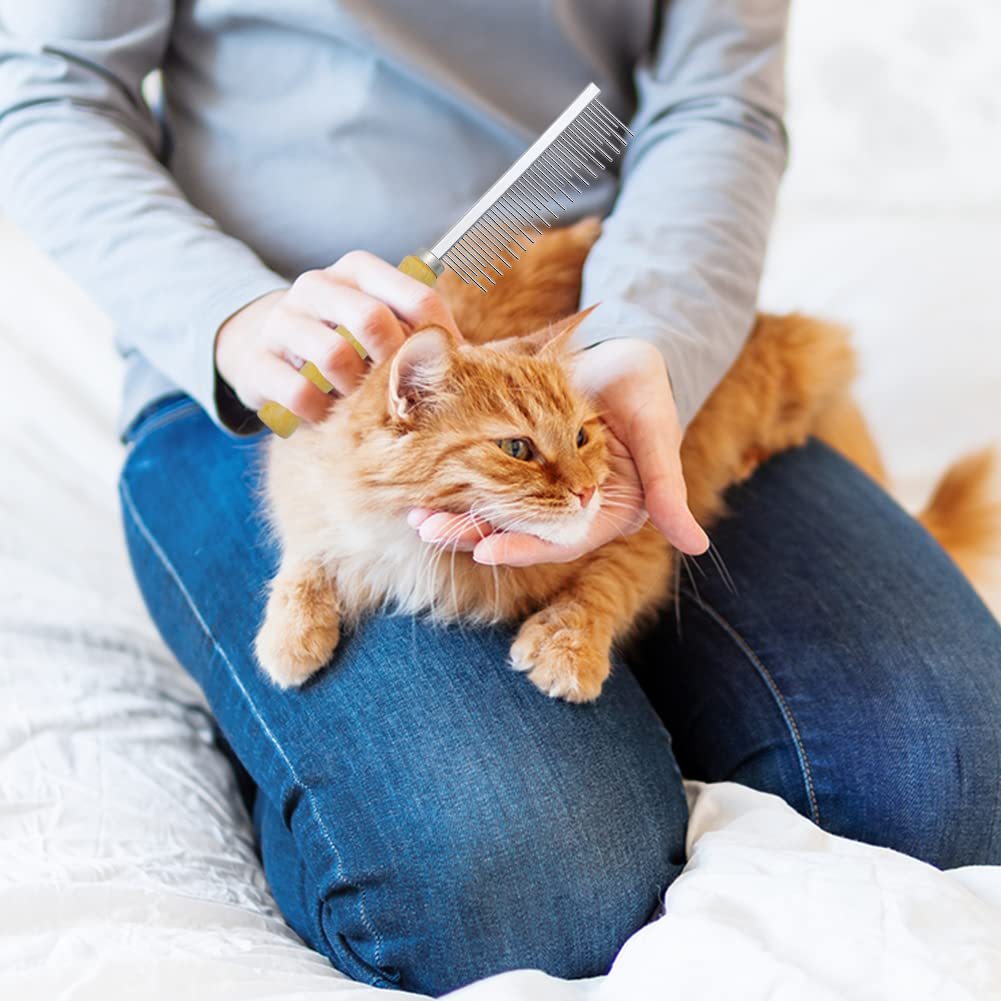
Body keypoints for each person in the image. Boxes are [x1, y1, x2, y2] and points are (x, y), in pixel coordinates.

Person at [2, 2, 999, 996]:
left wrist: (651, 337)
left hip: (585, 330)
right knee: (524, 890)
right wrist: (226, 309)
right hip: (276, 369)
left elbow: (717, 101)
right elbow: (46, 84)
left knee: (946, 777)